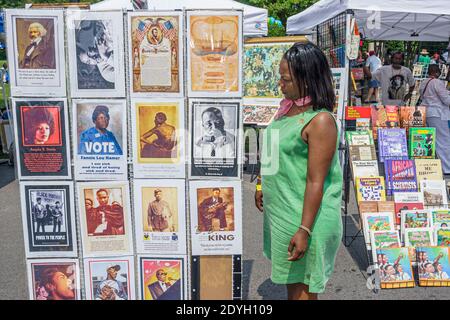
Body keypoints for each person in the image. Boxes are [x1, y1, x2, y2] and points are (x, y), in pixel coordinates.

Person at [255, 42, 343, 300]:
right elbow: (275, 152)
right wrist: (262, 184)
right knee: (292, 285)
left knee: (302, 292)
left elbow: (316, 181)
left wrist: (304, 229)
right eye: (280, 78)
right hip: (285, 212)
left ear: (307, 80)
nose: (280, 84)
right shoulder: (287, 109)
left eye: (286, 79)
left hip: (306, 219)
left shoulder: (321, 120)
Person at [419, 64, 450, 174]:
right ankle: (447, 168)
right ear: (437, 72)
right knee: (443, 140)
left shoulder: (423, 82)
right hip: (437, 113)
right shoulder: (437, 82)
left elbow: (422, 97)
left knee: (431, 140)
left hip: (426, 112)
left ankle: (436, 166)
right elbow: (446, 100)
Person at [76, 20, 114, 86]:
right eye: (88, 61)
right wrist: (106, 57)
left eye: (89, 53)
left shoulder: (103, 41)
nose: (93, 58)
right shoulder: (106, 74)